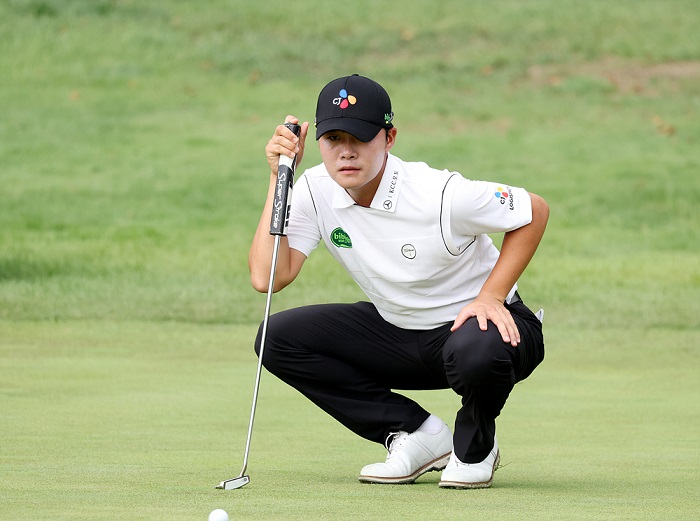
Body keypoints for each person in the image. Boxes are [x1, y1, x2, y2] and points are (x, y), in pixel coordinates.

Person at [249, 74, 548, 489]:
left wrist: (491, 297)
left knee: (476, 345)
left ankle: (475, 448)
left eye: (360, 138)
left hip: (489, 331)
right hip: (400, 333)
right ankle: (419, 435)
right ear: (316, 142)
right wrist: (278, 176)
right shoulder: (314, 189)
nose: (346, 152)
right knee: (277, 337)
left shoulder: (439, 192)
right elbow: (268, 275)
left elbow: (533, 209)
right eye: (333, 138)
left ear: (389, 138)